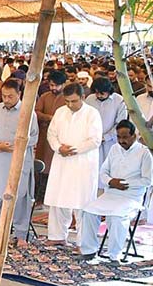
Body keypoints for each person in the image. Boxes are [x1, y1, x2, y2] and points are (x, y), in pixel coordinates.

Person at [79, 120, 153, 262]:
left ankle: (114, 256)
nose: (121, 140)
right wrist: (110, 181)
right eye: (119, 137)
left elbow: (148, 180)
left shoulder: (144, 153)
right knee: (88, 211)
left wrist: (124, 184)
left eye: (125, 137)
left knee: (118, 216)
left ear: (134, 136)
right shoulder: (114, 149)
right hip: (111, 194)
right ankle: (89, 250)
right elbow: (103, 171)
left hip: (131, 197)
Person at [44, 83, 103, 246]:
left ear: (83, 98)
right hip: (62, 161)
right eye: (67, 101)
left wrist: (73, 150)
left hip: (82, 164)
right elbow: (51, 134)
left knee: (82, 203)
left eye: (74, 101)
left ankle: (84, 242)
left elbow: (95, 140)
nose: (70, 105)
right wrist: (58, 148)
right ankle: (57, 236)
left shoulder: (92, 114)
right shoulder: (60, 112)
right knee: (58, 200)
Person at [0, 78, 38, 245]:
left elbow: (34, 137)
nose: (6, 100)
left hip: (19, 160)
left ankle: (21, 234)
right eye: (4, 96)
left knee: (20, 198)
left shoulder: (28, 112)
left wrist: (17, 145)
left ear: (19, 95)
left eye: (10, 97)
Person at [34, 69, 67, 203]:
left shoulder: (67, 98)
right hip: (43, 136)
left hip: (60, 138)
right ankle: (39, 197)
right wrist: (49, 118)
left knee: (55, 168)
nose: (53, 88)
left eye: (56, 85)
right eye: (51, 85)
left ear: (63, 84)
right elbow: (36, 112)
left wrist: (54, 120)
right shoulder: (44, 97)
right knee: (41, 167)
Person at [85, 77, 128, 166]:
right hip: (91, 140)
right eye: (96, 93)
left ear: (109, 91)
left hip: (111, 142)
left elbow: (120, 123)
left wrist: (106, 137)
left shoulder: (119, 100)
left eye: (102, 93)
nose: (99, 95)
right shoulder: (89, 99)